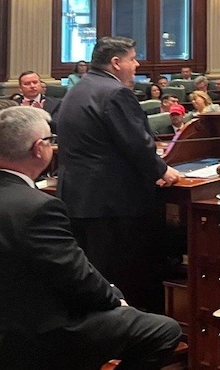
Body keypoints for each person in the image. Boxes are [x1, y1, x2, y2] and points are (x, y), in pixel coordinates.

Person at [0, 107, 182, 370]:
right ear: (39, 148)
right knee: (163, 330)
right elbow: (73, 275)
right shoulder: (38, 208)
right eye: (51, 141)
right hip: (33, 332)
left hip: (15, 313)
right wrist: (115, 299)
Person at [56, 36, 180, 311]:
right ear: (116, 62)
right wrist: (162, 169)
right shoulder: (115, 92)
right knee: (125, 280)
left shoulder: (79, 88)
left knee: (94, 280)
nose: (136, 64)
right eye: (133, 58)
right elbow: (136, 144)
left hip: (78, 199)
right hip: (114, 204)